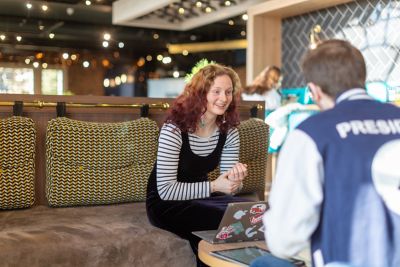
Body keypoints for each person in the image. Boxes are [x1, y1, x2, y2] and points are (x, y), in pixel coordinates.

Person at [251, 39, 400, 267]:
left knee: (265, 263)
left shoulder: (312, 134)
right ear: (361, 78)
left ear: (314, 91)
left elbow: (284, 242)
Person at [146, 63, 249, 266]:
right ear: (200, 93)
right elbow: (166, 190)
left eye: (228, 92)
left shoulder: (229, 131)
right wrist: (214, 187)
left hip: (202, 196)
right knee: (226, 220)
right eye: (216, 91)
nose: (224, 98)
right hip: (165, 202)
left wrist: (235, 181)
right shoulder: (174, 129)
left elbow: (229, 188)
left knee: (248, 213)